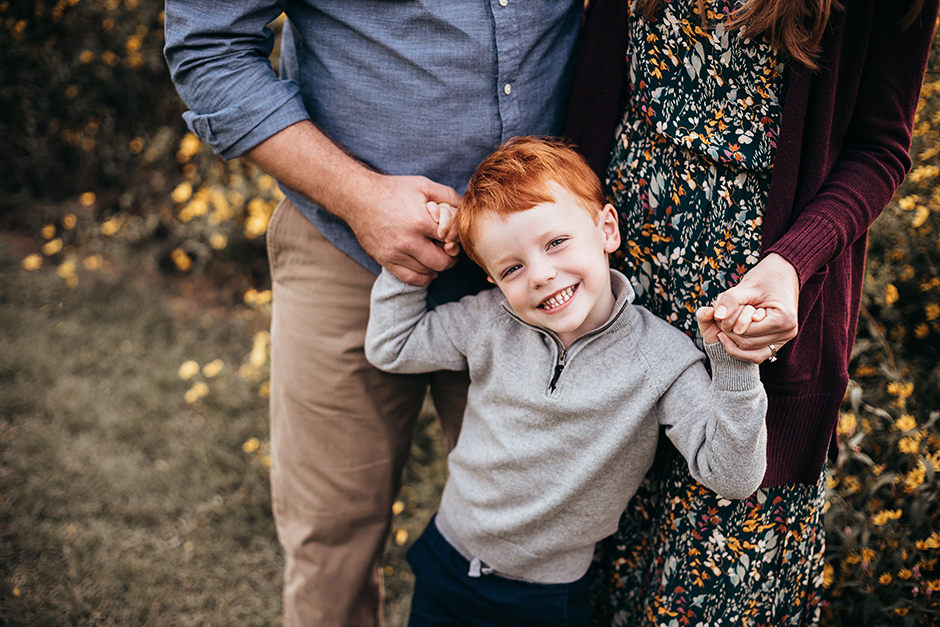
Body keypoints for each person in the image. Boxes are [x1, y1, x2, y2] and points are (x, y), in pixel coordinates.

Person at [162, 3, 584, 626]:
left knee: (532, 547)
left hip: (540, 280)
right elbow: (209, 49)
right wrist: (359, 196)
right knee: (331, 540)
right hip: (345, 253)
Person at [562, 0, 940, 624]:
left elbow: (881, 146)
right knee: (596, 574)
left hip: (753, 308)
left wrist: (793, 264)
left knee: (713, 587)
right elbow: (598, 91)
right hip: (618, 281)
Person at [364, 137, 769, 627]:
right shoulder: (489, 322)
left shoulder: (661, 359)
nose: (539, 274)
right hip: (449, 560)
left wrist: (734, 365)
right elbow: (393, 346)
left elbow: (732, 476)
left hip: (545, 597)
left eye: (556, 243)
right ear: (492, 280)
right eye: (511, 267)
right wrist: (415, 262)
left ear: (606, 229)